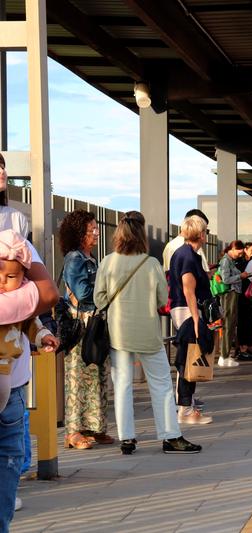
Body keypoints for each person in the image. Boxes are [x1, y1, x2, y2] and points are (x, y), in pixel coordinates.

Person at [94, 212, 201, 455]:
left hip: (118, 333)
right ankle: (170, 436)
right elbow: (163, 299)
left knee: (121, 385)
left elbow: (99, 299)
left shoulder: (107, 262)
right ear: (141, 236)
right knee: (161, 384)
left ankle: (127, 438)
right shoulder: (150, 264)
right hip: (147, 333)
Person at [0, 151, 59, 525]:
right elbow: (37, 294)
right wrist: (21, 303)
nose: (1, 171)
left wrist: (36, 323)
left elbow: (47, 294)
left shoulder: (14, 233)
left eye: (1, 165)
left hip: (13, 386)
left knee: (6, 491)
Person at [59, 209, 112, 450]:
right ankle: (73, 431)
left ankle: (94, 427)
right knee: (77, 377)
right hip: (82, 323)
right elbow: (81, 293)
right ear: (80, 232)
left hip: (96, 321)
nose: (96, 231)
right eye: (92, 228)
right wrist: (106, 292)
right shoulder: (75, 258)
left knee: (96, 374)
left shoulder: (90, 258)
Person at [0, 230, 59, 412]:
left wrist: (44, 336)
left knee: (2, 395)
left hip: (4, 365)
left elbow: (32, 324)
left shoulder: (21, 300)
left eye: (11, 277)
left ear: (23, 277)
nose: (2, 281)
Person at [167, 215, 213, 425]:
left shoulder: (185, 253)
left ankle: (187, 405)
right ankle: (185, 408)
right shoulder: (188, 256)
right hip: (187, 309)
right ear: (201, 234)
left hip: (184, 308)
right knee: (189, 356)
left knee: (189, 356)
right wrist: (196, 319)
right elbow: (189, 290)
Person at [216, 240, 250, 367]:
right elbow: (225, 279)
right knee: (228, 324)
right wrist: (240, 276)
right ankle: (224, 356)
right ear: (233, 248)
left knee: (230, 324)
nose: (240, 255)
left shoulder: (229, 260)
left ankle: (225, 355)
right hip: (229, 294)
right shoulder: (226, 261)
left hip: (231, 294)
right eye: (239, 253)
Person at [237, 242, 252, 360]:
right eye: (251, 249)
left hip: (251, 295)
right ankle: (243, 347)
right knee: (243, 322)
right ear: (245, 250)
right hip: (242, 294)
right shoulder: (240, 263)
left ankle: (251, 346)